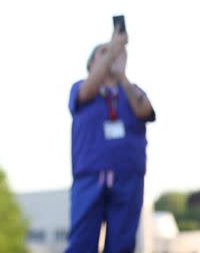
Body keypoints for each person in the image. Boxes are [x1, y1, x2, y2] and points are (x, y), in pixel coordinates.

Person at [66, 28, 155, 252]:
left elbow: (145, 112)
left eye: (114, 53)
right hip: (90, 176)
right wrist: (114, 46)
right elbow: (86, 92)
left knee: (122, 242)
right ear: (91, 64)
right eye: (103, 53)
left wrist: (122, 76)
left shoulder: (133, 91)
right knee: (81, 242)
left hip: (127, 177)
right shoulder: (81, 88)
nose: (112, 55)